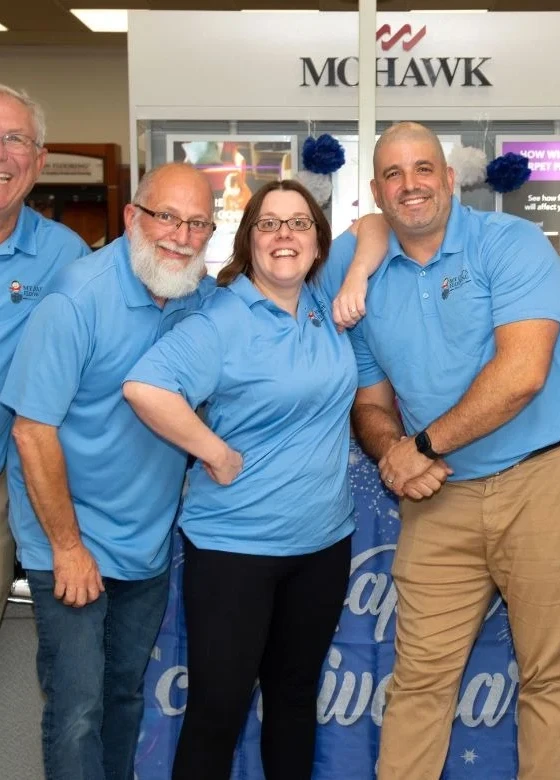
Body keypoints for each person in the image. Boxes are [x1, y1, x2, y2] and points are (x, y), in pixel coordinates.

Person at [320, 121, 560, 780]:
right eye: (393, 174)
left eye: (423, 169)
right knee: (419, 679)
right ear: (376, 192)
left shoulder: (511, 242)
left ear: (450, 178)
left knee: (551, 677)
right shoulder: (357, 270)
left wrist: (419, 445)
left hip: (542, 482)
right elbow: (370, 401)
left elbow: (523, 373)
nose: (410, 185)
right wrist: (393, 451)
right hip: (439, 497)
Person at [123, 179, 385, 780]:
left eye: (299, 223)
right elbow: (145, 387)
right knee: (219, 711)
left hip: (321, 547)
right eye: (269, 224)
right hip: (234, 551)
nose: (284, 235)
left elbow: (374, 225)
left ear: (317, 241)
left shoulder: (322, 298)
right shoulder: (223, 317)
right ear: (249, 240)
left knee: (294, 700)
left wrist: (355, 277)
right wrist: (213, 451)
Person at [0, 161, 216, 780]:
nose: (181, 236)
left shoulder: (198, 296)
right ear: (131, 217)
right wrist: (68, 549)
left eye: (197, 223)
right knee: (77, 708)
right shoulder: (76, 298)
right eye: (166, 217)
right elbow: (31, 430)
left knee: (122, 696)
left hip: (143, 544)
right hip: (69, 537)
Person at [0, 84, 89, 620]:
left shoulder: (65, 254)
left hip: (13, 471)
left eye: (14, 139)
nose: (1, 154)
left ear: (39, 160)